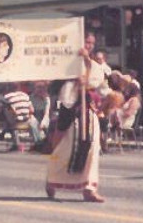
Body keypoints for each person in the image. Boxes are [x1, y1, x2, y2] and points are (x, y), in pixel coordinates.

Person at [45, 33, 105, 202]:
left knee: (92, 149)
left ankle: (89, 188)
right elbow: (63, 93)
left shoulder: (94, 65)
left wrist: (86, 72)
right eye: (87, 42)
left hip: (88, 111)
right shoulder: (67, 66)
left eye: (92, 43)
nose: (89, 45)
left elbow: (96, 81)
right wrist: (75, 82)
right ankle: (52, 180)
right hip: (72, 111)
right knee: (65, 149)